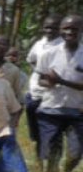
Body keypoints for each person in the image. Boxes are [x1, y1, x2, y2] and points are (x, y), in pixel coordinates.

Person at [34, 14, 83, 172]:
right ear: (61, 30)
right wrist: (50, 82)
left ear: (81, 30)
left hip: (77, 111)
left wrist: (61, 81)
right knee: (50, 153)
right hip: (50, 110)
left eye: (74, 28)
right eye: (66, 28)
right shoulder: (49, 54)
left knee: (76, 154)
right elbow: (41, 80)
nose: (70, 32)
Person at [25, 14, 63, 153]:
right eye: (47, 27)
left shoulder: (63, 46)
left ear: (60, 29)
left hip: (53, 96)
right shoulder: (39, 44)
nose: (49, 30)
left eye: (54, 28)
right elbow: (31, 60)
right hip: (35, 93)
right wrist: (40, 71)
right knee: (36, 134)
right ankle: (40, 161)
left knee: (52, 133)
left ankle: (52, 165)